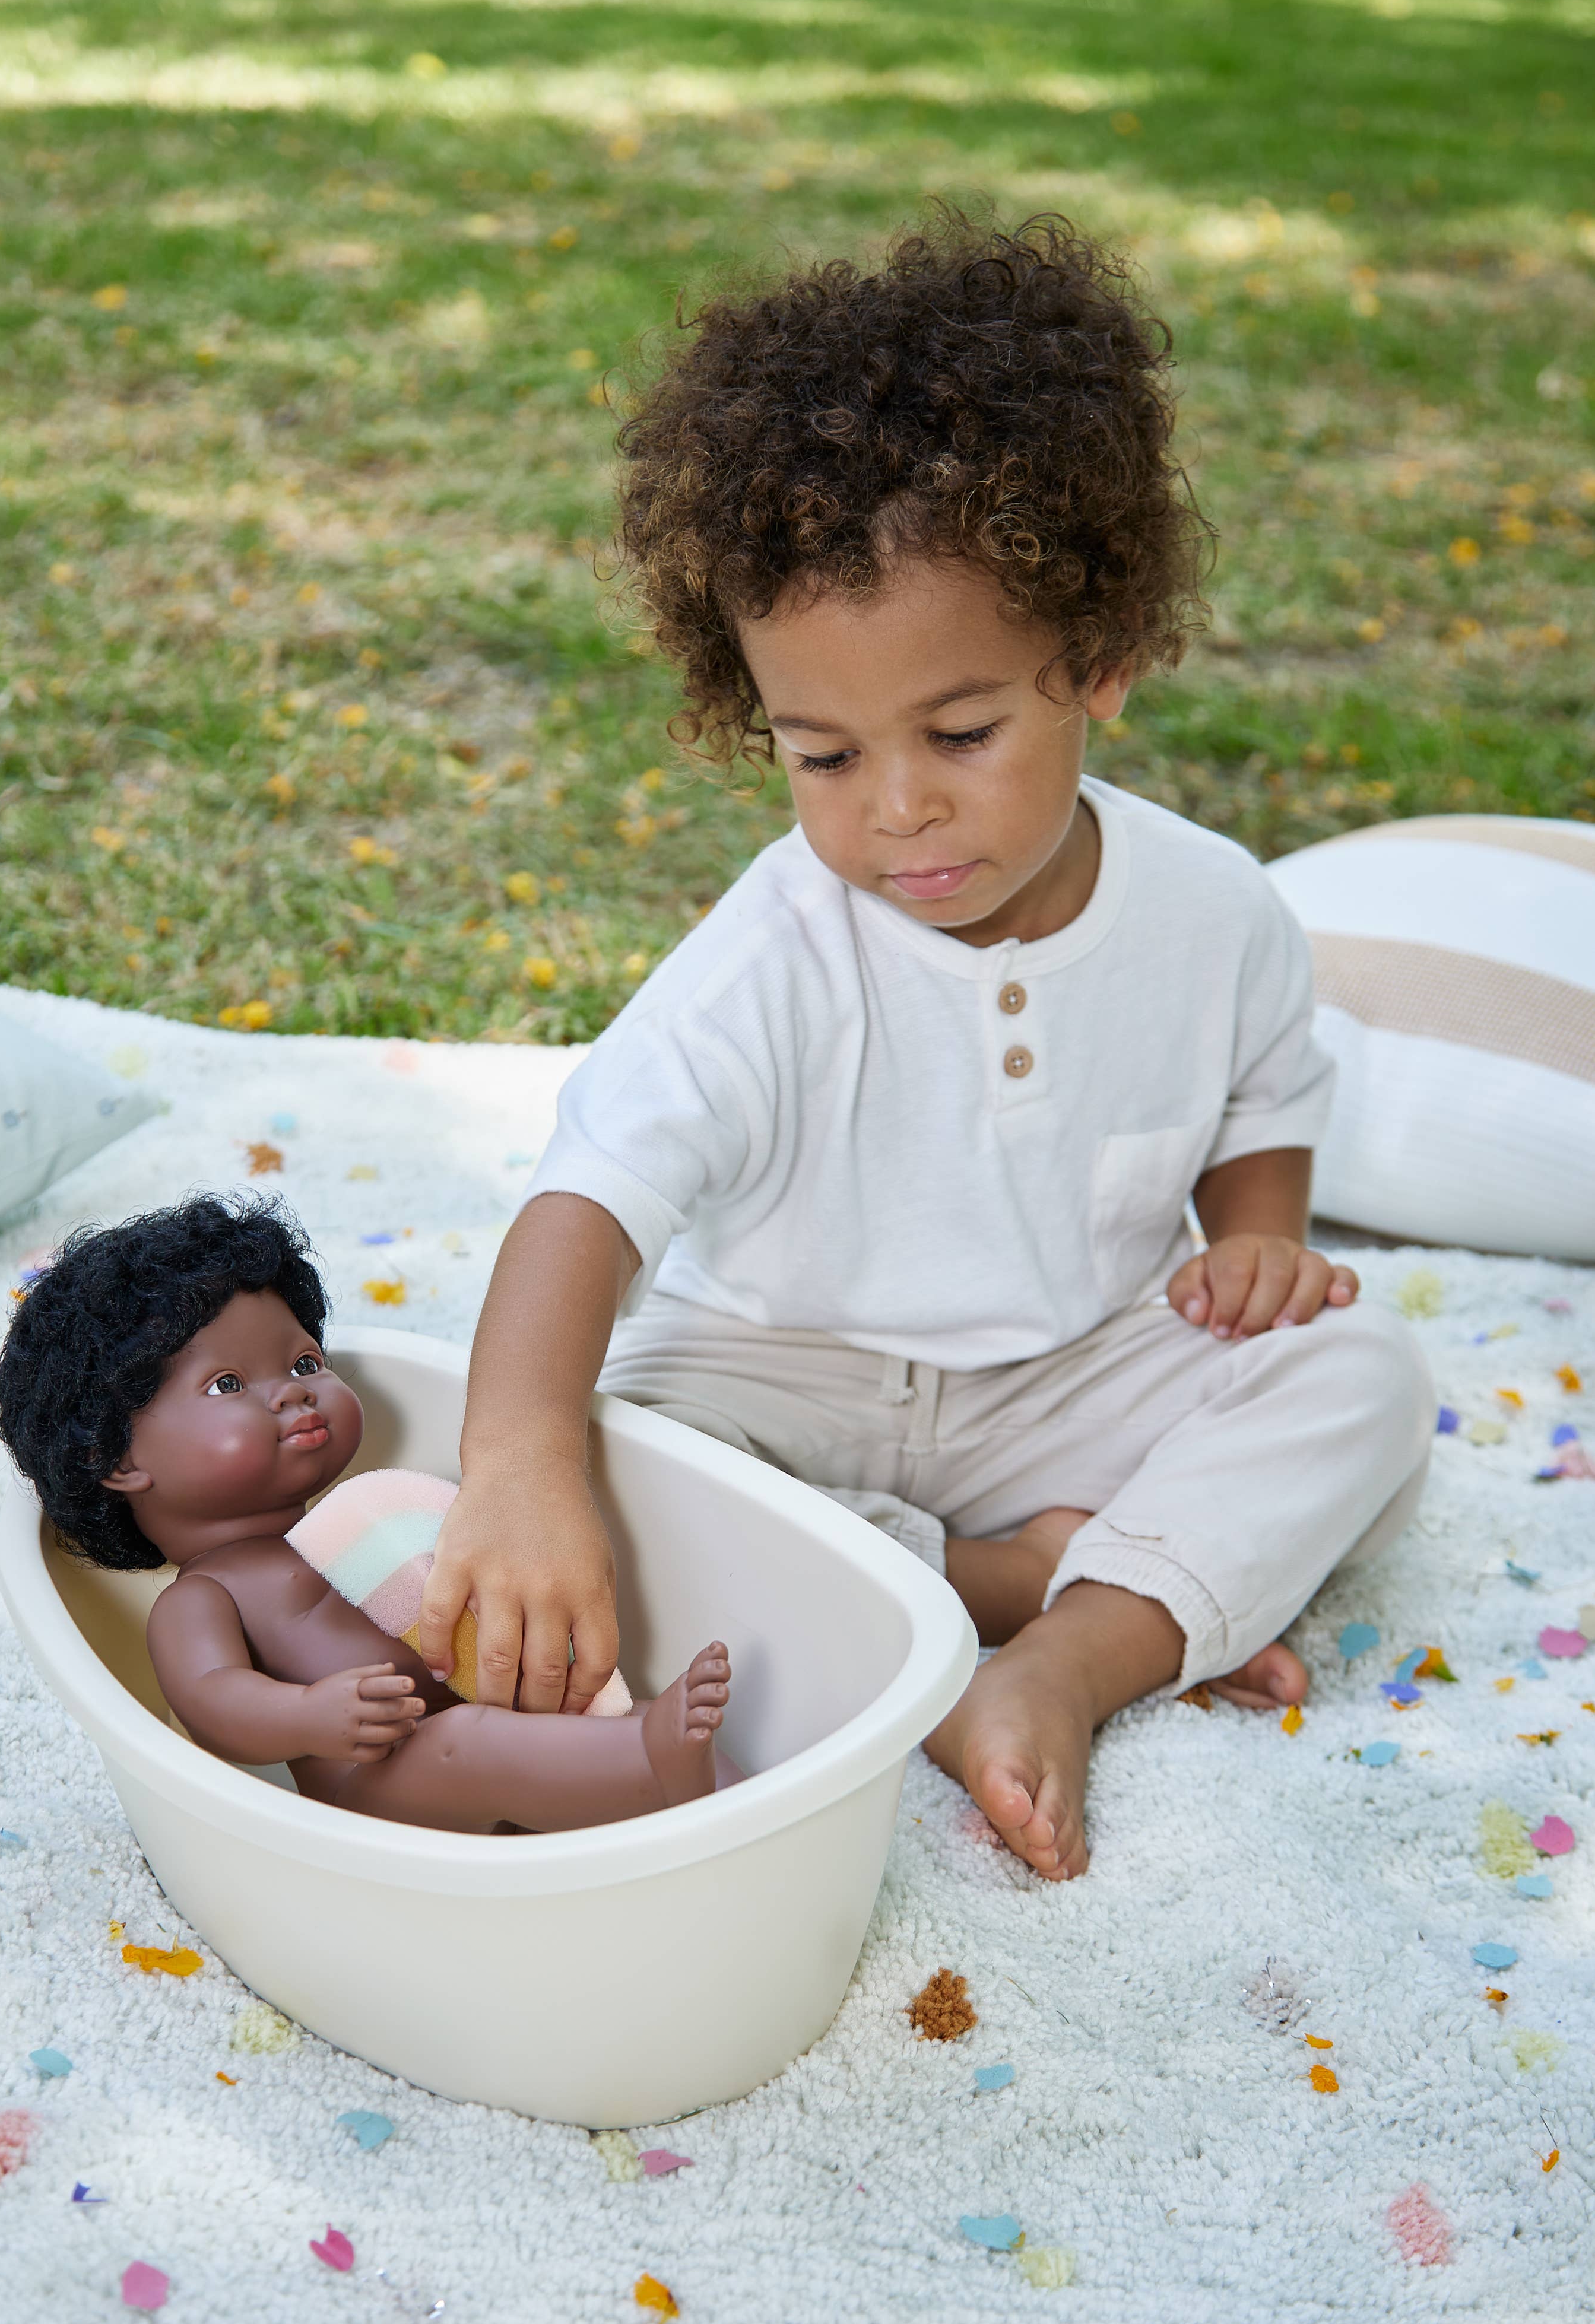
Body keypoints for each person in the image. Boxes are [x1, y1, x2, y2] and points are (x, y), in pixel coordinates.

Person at [414, 209, 1434, 1881]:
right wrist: (518, 1464)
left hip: (1064, 1373)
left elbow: (1263, 1090)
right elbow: (585, 1206)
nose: (897, 809)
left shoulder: (1213, 909)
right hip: (780, 1374)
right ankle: (1027, 1585)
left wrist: (1258, 1243)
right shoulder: (774, 957)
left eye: (960, 733)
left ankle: (1057, 1657)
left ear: (1097, 665)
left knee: (1360, 1382)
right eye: (818, 756)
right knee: (621, 1471)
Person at [0, 1194, 730, 1833]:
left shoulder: (359, 1520)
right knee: (469, 1742)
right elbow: (214, 1700)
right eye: (226, 1384)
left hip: (472, 1722)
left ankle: (703, 1784)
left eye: (305, 1362)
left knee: (568, 1720)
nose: (291, 1392)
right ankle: (654, 1767)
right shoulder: (202, 1596)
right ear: (119, 1461)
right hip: (373, 1785)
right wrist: (311, 1716)